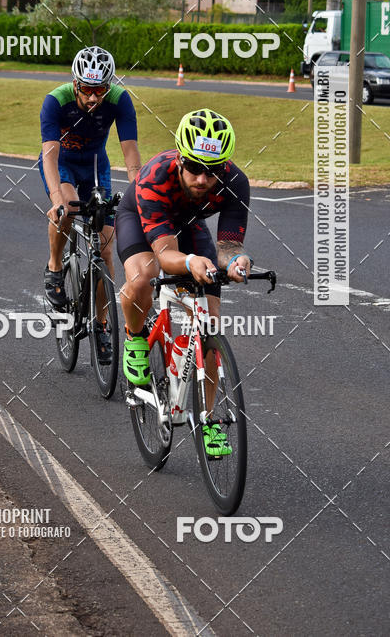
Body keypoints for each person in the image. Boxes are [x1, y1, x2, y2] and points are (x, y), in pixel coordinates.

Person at [116, 108, 251, 456]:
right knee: (145, 277)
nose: (202, 180)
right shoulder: (154, 178)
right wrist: (190, 262)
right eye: (193, 167)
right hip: (142, 219)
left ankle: (209, 421)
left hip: (189, 224)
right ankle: (135, 339)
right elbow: (164, 255)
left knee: (210, 324)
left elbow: (227, 247)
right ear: (179, 158)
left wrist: (236, 261)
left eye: (213, 170)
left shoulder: (235, 183)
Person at [38, 46, 141, 362]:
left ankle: (102, 325)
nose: (94, 98)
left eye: (101, 90)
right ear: (75, 83)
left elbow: (132, 157)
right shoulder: (56, 101)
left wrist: (140, 196)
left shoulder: (120, 100)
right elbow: (50, 157)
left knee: (106, 250)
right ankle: (55, 267)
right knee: (67, 209)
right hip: (65, 166)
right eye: (87, 89)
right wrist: (56, 200)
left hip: (97, 167)